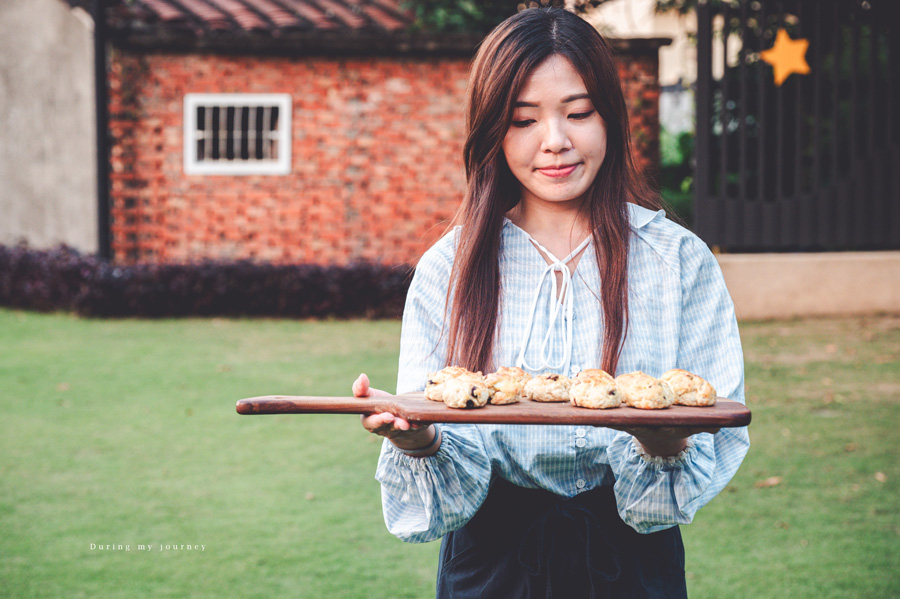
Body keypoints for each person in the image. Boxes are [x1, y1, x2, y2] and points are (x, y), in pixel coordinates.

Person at [352, 7, 749, 598]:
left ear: (609, 117)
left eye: (579, 113)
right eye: (522, 119)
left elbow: (709, 435)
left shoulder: (677, 261)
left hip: (633, 567)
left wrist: (664, 444)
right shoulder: (450, 267)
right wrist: (419, 440)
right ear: (492, 131)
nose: (555, 141)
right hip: (490, 567)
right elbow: (440, 451)